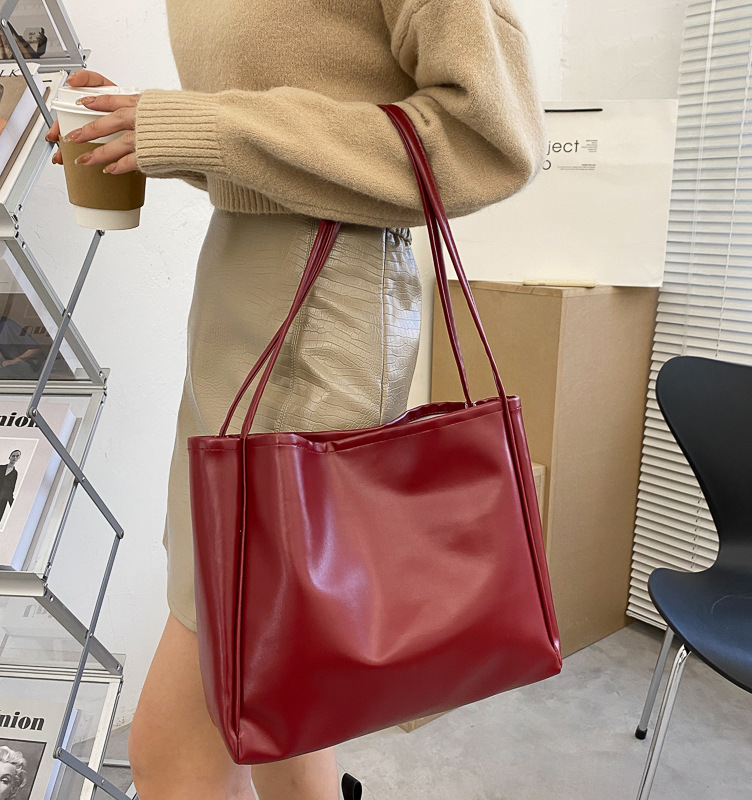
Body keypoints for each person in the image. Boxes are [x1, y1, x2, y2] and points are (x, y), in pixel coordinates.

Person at [47, 1, 545, 797]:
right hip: (234, 292)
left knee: (173, 746)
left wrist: (202, 126)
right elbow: (282, 127)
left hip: (323, 303)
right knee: (279, 676)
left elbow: (489, 136)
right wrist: (150, 131)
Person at [0, 451, 20, 524]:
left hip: (2, 500)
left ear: (18, 458)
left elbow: (11, 489)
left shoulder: (15, 473)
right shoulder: (1, 467)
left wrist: (12, 503)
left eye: (17, 456)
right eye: (13, 456)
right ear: (10, 457)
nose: (15, 458)